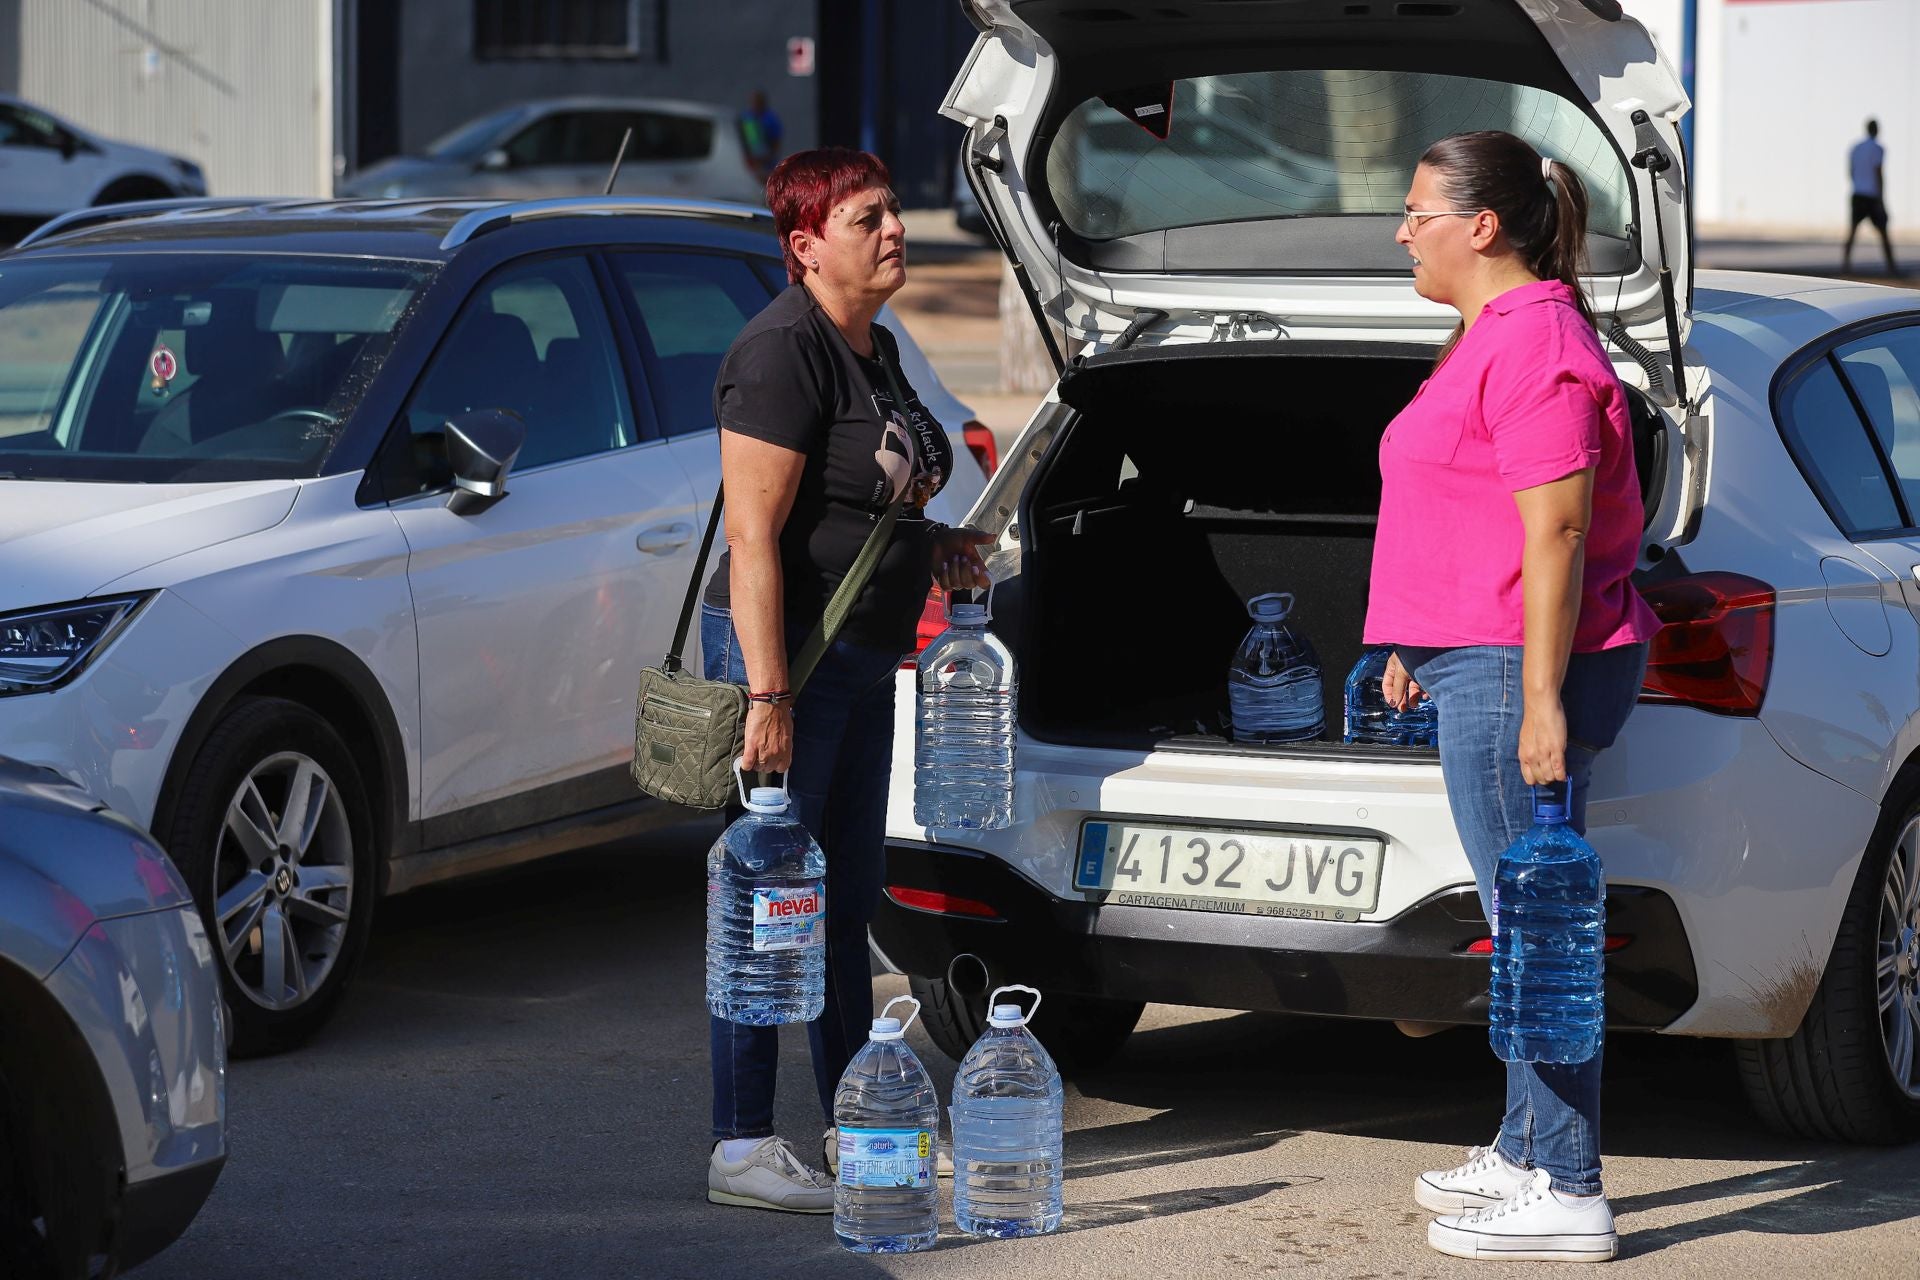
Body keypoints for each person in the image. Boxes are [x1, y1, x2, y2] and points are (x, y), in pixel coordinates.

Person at [1368, 131, 1658, 1263]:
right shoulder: (1494, 331)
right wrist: (1419, 636)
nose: (1403, 233)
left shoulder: (1538, 341)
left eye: (1418, 212)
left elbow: (1560, 528)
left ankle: (1571, 1187)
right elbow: (1466, 502)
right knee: (1521, 918)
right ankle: (1526, 1146)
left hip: (1516, 666)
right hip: (1478, 653)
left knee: (1540, 932)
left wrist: (1538, 696)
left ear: (1481, 226)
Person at [701, 147, 992, 1213]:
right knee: (767, 907)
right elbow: (753, 536)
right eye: (867, 218)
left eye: (892, 210)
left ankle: (849, 1119)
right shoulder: (780, 352)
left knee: (842, 905)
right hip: (794, 664)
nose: (895, 229)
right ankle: (741, 1143)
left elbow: (876, 498)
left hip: (864, 663)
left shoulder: (874, 344)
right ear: (806, 245)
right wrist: (769, 696)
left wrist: (938, 543)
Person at [1845, 119, 1899, 276]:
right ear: (1877, 130)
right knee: (1883, 232)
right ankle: (1891, 267)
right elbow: (1878, 173)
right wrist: (1881, 199)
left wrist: (1857, 184)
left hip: (1858, 193)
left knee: (1852, 231)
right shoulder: (1878, 148)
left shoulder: (1855, 147)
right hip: (1872, 195)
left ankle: (1845, 265)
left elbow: (1850, 171)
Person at [739, 90, 784, 182]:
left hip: (767, 161)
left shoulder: (771, 119)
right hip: (751, 160)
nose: (755, 104)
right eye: (754, 102)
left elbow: (776, 141)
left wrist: (768, 157)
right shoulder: (746, 118)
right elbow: (742, 139)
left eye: (758, 102)